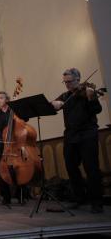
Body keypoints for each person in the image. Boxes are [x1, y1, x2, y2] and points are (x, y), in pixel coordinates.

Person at [51, 68, 103, 213]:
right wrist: (54, 105)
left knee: (91, 168)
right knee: (71, 167)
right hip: (70, 135)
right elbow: (52, 106)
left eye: (70, 81)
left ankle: (96, 202)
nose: (67, 84)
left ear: (78, 79)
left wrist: (92, 97)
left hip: (87, 134)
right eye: (65, 82)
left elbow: (97, 110)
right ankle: (79, 198)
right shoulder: (65, 95)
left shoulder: (88, 91)